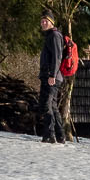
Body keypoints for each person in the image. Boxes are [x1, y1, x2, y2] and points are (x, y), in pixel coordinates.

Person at [37, 11, 66, 143]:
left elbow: (57, 57)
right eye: (42, 21)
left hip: (52, 76)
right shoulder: (50, 35)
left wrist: (52, 75)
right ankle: (60, 136)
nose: (43, 23)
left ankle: (50, 135)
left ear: (52, 22)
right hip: (50, 75)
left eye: (46, 21)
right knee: (52, 106)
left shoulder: (54, 35)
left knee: (46, 104)